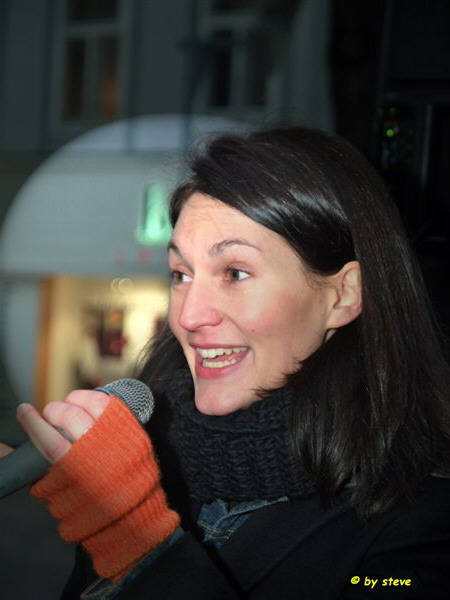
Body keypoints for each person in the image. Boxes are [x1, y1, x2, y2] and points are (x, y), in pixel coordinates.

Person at [4, 126, 450, 599]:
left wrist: (137, 541)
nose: (189, 316)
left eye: (235, 273)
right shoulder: (152, 464)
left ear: (343, 295)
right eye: (181, 274)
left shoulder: (424, 521)